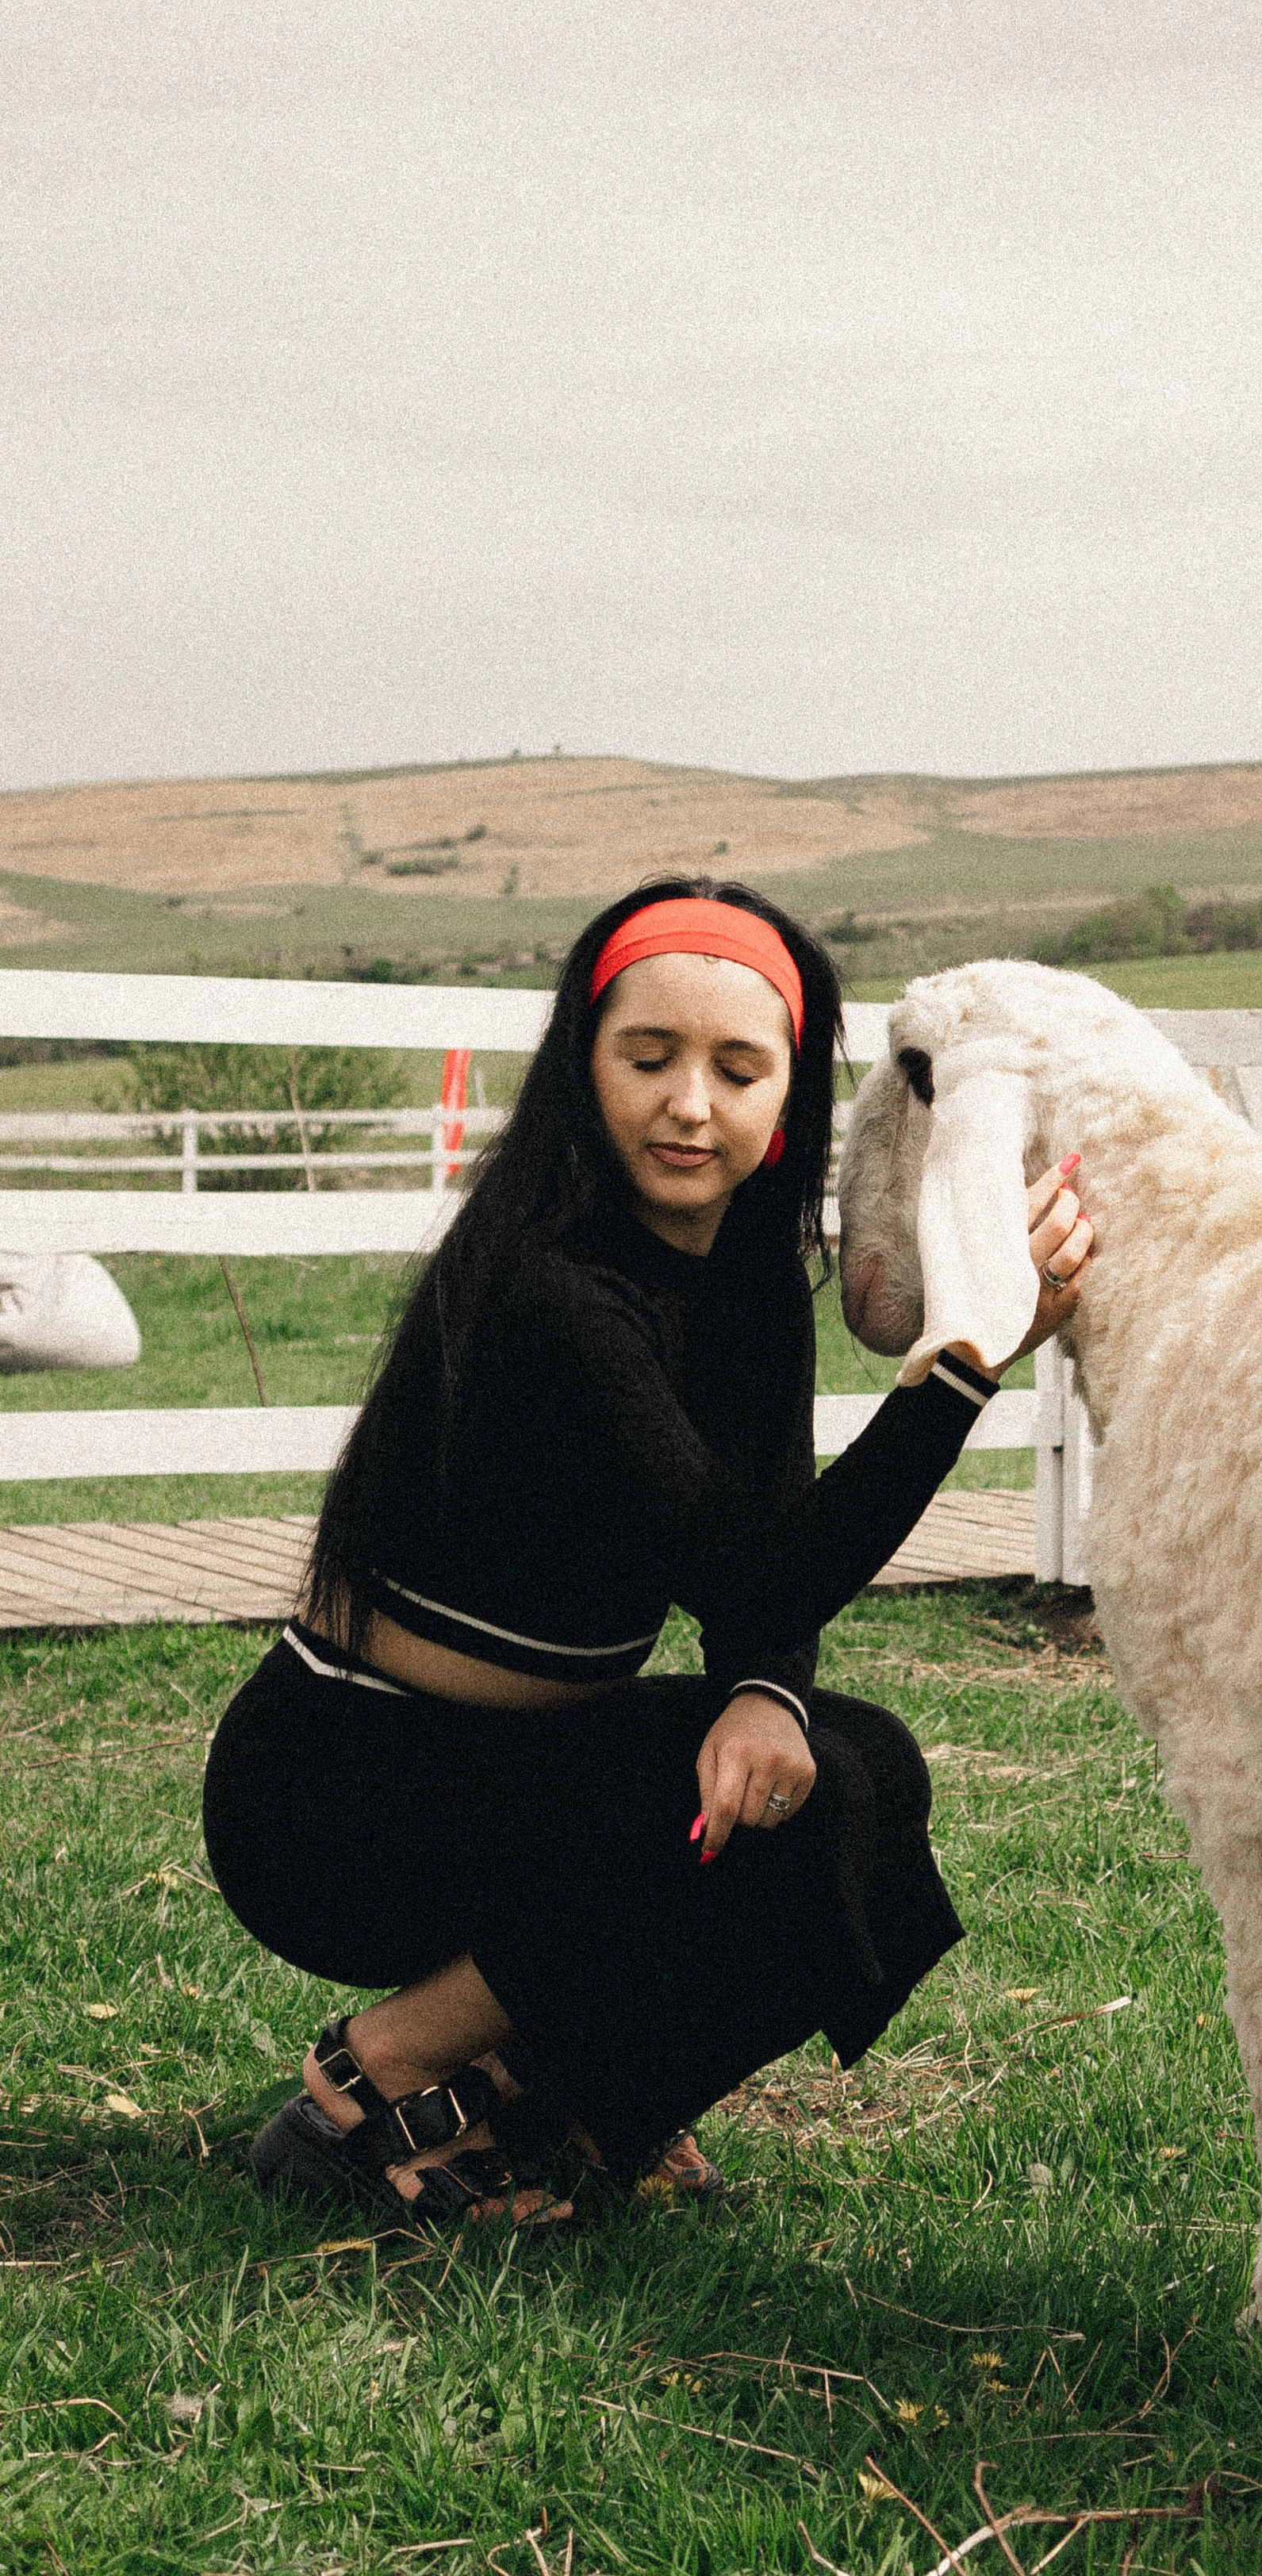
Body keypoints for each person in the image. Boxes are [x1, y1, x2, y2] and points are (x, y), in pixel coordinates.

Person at [203, 879, 1092, 2229]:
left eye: (739, 1069)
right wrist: (962, 1368)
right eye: (650, 1057)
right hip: (343, 1793)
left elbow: (766, 1543)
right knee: (708, 1818)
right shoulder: (551, 1288)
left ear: (789, 1100)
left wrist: (767, 1689)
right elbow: (755, 1571)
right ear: (585, 1066)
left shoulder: (743, 1274)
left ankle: (565, 2099)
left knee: (854, 1777)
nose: (691, 1104)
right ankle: (364, 2084)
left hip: (522, 1766)